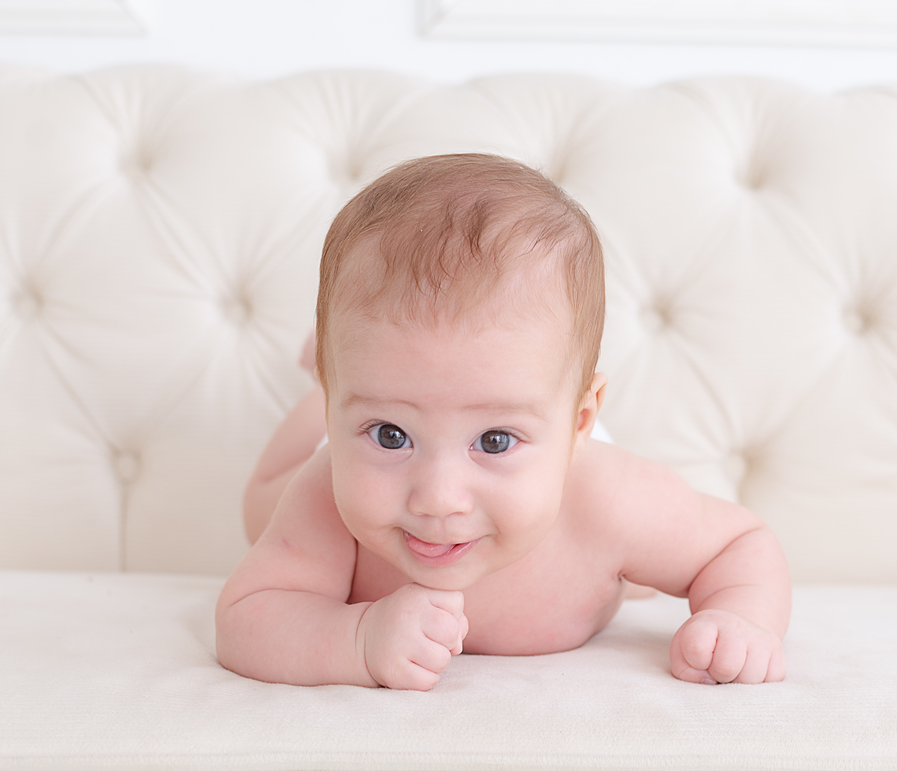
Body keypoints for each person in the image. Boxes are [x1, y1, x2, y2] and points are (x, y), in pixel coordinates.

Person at [215, 153, 791, 691]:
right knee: (259, 509)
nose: (439, 499)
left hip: (559, 481)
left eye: (493, 441)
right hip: (392, 425)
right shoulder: (329, 498)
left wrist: (740, 620)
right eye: (392, 435)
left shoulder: (610, 499)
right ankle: (326, 379)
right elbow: (247, 619)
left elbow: (740, 544)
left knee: (638, 574)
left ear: (581, 419)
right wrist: (357, 639)